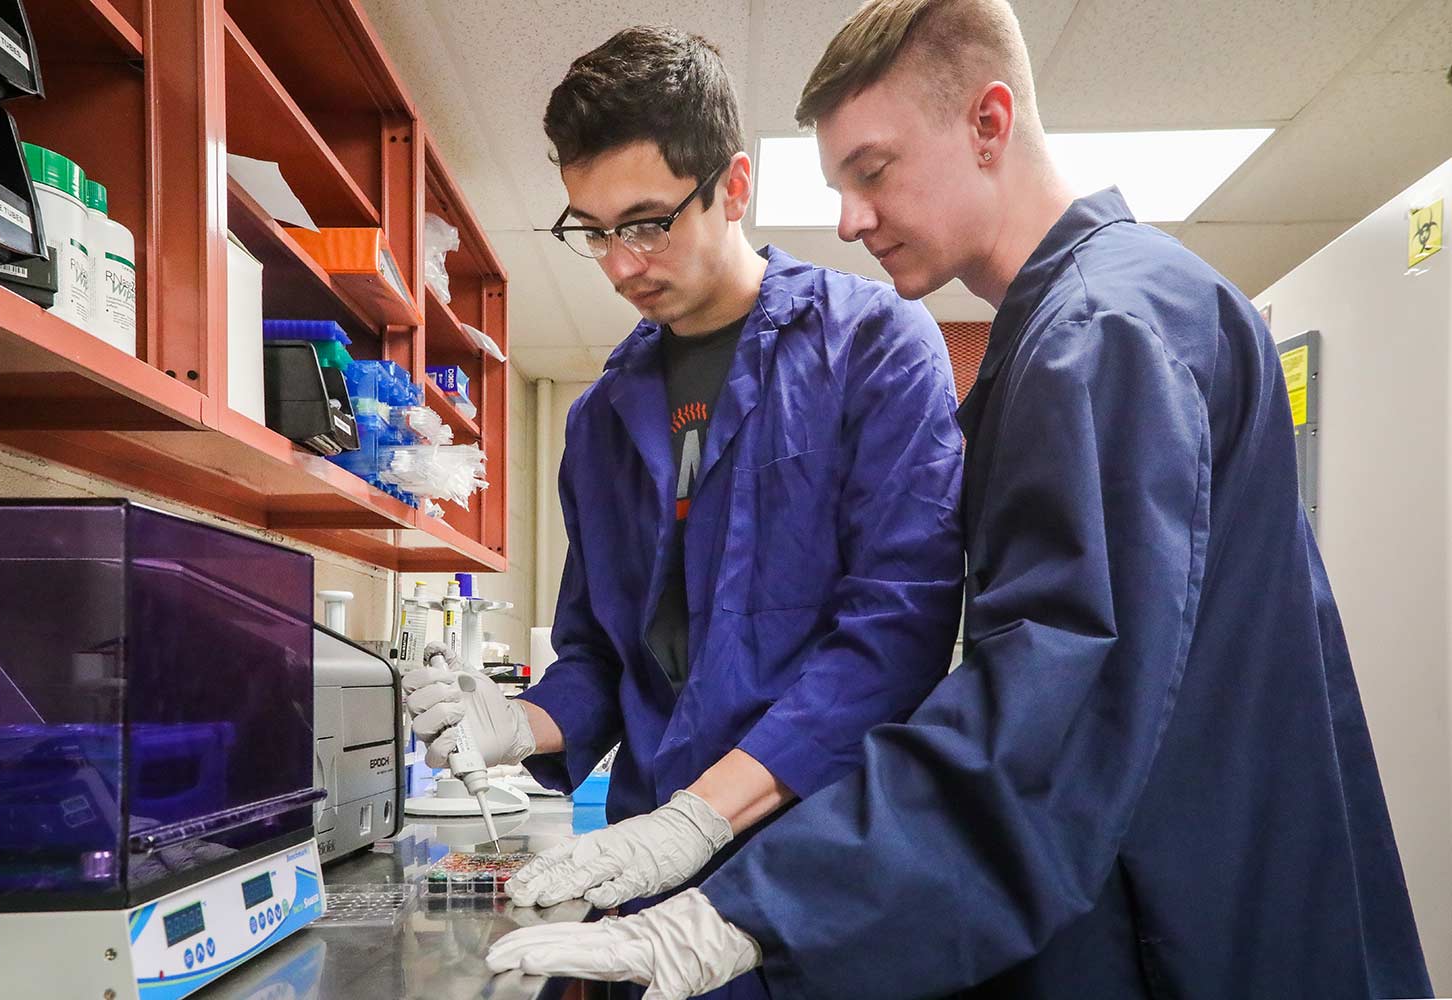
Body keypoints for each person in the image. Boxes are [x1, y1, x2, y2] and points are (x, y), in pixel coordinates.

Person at [485, 2, 1434, 998]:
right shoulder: (1053, 336)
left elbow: (1038, 719)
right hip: (1093, 897)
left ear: (987, 124)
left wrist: (745, 902)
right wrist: (526, 725)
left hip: (1173, 924)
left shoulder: (1103, 335)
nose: (848, 219)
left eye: (872, 171)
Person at [404, 23, 966, 1000]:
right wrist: (521, 723)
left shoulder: (873, 348)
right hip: (643, 898)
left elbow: (894, 639)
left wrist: (701, 819)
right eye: (591, 227)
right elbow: (601, 657)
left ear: (734, 188)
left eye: (648, 220)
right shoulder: (600, 420)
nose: (620, 264)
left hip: (821, 895)